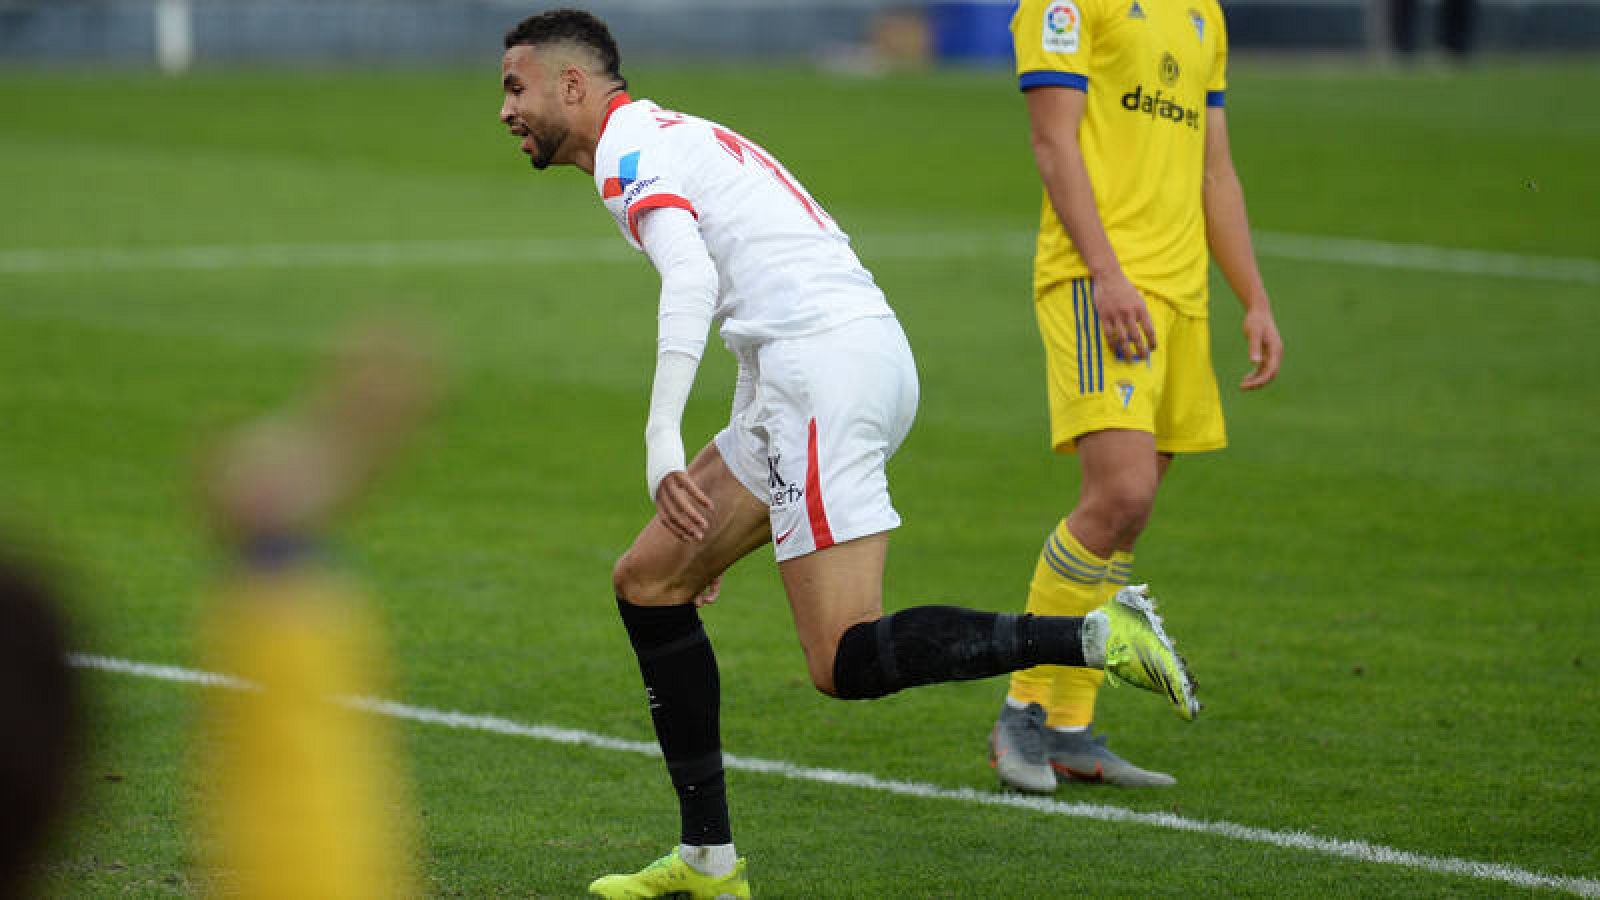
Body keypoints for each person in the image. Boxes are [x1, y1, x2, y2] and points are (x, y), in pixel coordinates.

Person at [498, 10, 1200, 898]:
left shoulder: (629, 155)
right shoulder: (670, 135)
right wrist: (732, 505)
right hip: (812, 364)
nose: (506, 110)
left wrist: (663, 445)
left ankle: (1095, 634)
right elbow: (765, 296)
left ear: (572, 85)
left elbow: (695, 280)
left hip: (822, 374)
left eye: (515, 87)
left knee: (844, 660)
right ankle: (709, 866)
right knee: (651, 579)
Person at [987, 0, 1283, 793]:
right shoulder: (1066, 6)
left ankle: (1073, 728)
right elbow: (1053, 141)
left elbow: (1214, 170)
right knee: (1117, 491)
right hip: (1099, 283)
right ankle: (1023, 710)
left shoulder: (1203, 16)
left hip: (1182, 296)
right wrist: (1108, 275)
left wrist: (1251, 295)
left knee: (1130, 514)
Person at [194, 323, 435, 899]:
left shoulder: (255, 610)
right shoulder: (283, 620)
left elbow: (265, 507)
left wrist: (353, 424)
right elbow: (263, 505)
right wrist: (357, 423)